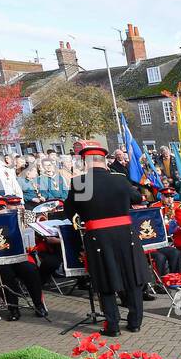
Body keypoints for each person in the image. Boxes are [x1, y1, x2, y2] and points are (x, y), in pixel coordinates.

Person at [61, 142, 147, 336]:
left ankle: (113, 325)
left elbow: (71, 211)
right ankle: (135, 322)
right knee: (132, 277)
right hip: (126, 235)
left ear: (85, 161)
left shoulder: (80, 182)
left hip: (99, 238)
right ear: (104, 161)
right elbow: (137, 199)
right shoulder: (120, 178)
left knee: (105, 279)